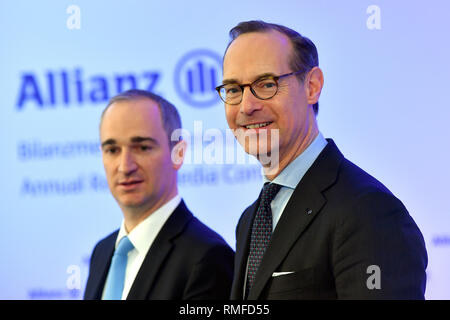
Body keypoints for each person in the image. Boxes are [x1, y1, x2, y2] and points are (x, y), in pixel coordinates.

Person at [216, 20, 427, 299]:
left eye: (266, 84)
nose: (246, 106)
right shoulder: (250, 219)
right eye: (233, 90)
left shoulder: (368, 211)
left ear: (312, 86)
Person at [84, 89, 234, 300]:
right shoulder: (102, 252)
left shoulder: (207, 257)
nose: (125, 166)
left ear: (178, 153)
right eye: (112, 150)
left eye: (142, 147)